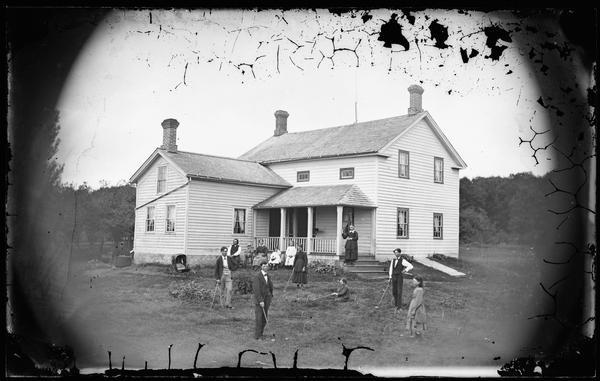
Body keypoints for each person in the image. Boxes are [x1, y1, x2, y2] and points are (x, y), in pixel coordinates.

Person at [252, 263, 273, 340]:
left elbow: (270, 286)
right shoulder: (257, 276)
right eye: (264, 266)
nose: (265, 267)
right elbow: (256, 290)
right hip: (260, 300)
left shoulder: (268, 276)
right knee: (259, 318)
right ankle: (257, 335)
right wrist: (260, 300)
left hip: (267, 299)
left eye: (266, 266)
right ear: (261, 267)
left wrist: (270, 295)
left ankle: (261, 333)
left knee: (265, 317)